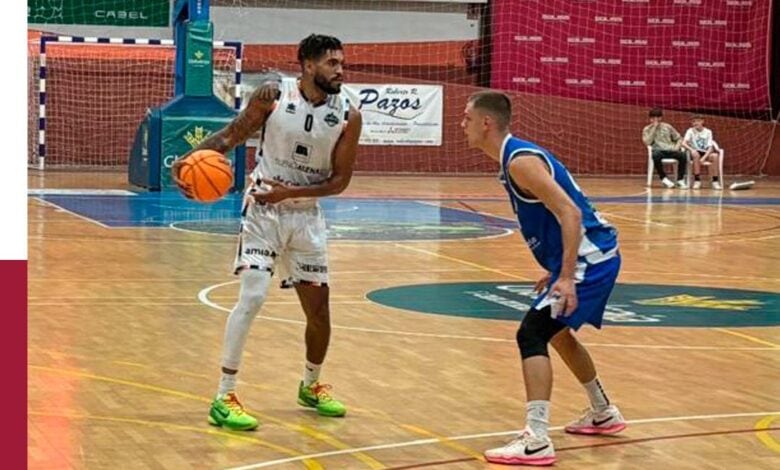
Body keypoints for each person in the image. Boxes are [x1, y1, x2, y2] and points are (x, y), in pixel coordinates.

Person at [173, 34, 362, 430]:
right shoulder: (273, 96)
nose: (340, 70)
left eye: (341, 62)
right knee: (253, 295)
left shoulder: (349, 113)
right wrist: (191, 160)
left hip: (305, 215)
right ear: (308, 66)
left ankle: (310, 386)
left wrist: (291, 193)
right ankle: (224, 395)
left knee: (320, 312)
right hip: (262, 209)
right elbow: (231, 135)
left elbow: (340, 181)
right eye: (331, 63)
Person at [461, 91, 625, 466]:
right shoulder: (512, 159)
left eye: (467, 117)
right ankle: (603, 412)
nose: (462, 124)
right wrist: (555, 269)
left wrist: (566, 277)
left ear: (486, 123)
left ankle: (536, 439)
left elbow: (569, 213)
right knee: (558, 333)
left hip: (591, 261)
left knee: (531, 333)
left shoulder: (521, 162)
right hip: (591, 257)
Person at [642, 107, 688, 189]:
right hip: (659, 151)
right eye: (653, 118)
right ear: (650, 119)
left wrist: (677, 147)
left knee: (683, 155)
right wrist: (654, 128)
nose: (655, 120)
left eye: (657, 117)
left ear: (660, 118)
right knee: (655, 155)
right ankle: (664, 178)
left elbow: (679, 138)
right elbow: (647, 142)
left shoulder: (667, 126)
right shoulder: (647, 129)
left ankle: (680, 180)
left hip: (670, 149)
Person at [682, 115, 722, 190]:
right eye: (693, 121)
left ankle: (715, 181)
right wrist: (692, 149)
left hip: (705, 152)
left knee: (715, 156)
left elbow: (710, 147)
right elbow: (683, 143)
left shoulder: (708, 131)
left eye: (697, 121)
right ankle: (697, 180)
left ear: (702, 121)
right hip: (695, 152)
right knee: (696, 155)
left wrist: (704, 158)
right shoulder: (690, 131)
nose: (695, 123)